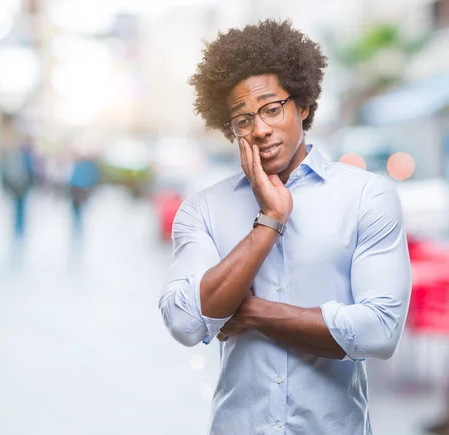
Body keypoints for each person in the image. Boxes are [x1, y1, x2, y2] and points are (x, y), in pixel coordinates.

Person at [158, 19, 411, 434]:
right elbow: (186, 323)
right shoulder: (203, 209)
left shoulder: (367, 197)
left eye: (272, 109)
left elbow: (380, 331)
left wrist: (253, 313)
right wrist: (270, 221)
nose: (260, 129)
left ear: (304, 105)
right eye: (243, 120)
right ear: (230, 129)